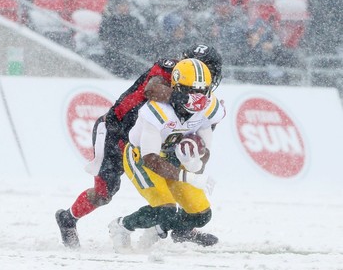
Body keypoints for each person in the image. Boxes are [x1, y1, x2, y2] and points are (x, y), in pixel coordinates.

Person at [55, 44, 223, 248]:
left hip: (156, 137)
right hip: (118, 132)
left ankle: (181, 228)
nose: (202, 77)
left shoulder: (200, 93)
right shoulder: (171, 72)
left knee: (178, 178)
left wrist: (197, 149)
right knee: (104, 192)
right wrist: (185, 97)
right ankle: (68, 218)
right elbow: (152, 90)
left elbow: (200, 129)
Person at [108, 58, 226, 252]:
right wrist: (188, 176)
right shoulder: (157, 111)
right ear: (176, 88)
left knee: (201, 214)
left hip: (173, 158)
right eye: (190, 90)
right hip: (141, 158)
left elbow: (205, 151)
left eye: (201, 91)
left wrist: (195, 162)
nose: (197, 98)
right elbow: (151, 159)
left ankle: (164, 229)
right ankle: (122, 226)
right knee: (166, 210)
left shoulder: (210, 107)